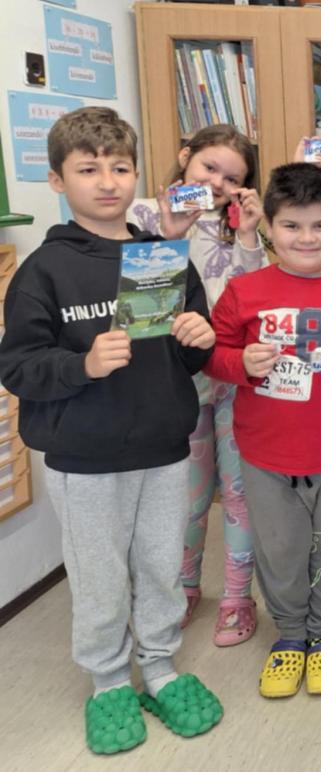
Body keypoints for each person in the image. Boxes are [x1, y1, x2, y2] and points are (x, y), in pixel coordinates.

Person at [0, 107, 221, 754]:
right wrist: (83, 365)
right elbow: (17, 366)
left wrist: (198, 337)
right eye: (87, 169)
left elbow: (185, 354)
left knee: (161, 566)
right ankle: (107, 681)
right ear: (57, 180)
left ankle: (159, 665)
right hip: (85, 457)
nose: (106, 182)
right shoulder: (44, 270)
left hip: (163, 448)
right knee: (99, 577)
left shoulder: (159, 256)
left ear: (136, 174)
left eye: (120, 168)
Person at [206, 163, 321, 700]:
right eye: (291, 226)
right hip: (265, 452)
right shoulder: (244, 290)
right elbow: (212, 353)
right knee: (279, 549)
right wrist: (241, 363)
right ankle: (289, 634)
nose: (307, 238)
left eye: (320, 225)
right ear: (268, 228)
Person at [129, 123, 264, 647]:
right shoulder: (141, 214)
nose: (217, 184)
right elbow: (142, 304)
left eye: (233, 178)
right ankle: (185, 587)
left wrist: (248, 236)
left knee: (239, 492)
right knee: (186, 498)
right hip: (171, 382)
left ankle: (237, 596)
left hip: (229, 380)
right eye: (210, 167)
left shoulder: (239, 226)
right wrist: (171, 234)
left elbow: (251, 304)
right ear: (185, 156)